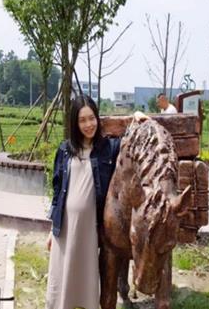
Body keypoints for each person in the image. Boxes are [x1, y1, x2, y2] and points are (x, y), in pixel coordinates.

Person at [45, 95, 147, 309]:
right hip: (65, 225)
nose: (88, 124)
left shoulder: (108, 148)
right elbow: (57, 190)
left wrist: (135, 118)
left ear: (97, 119)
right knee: (61, 274)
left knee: (85, 272)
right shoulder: (65, 150)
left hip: (90, 226)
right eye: (82, 120)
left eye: (91, 118)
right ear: (75, 123)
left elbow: (131, 142)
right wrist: (51, 228)